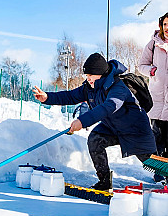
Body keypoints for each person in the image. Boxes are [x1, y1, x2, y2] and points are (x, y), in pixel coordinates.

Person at [33, 53, 157, 191]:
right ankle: (104, 181)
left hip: (135, 130)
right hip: (112, 128)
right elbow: (70, 96)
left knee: (150, 161)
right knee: (95, 139)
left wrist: (82, 121)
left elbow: (108, 107)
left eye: (90, 75)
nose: (88, 79)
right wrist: (47, 97)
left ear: (100, 73)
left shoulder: (118, 87)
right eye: (87, 76)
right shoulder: (89, 88)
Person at [138, 12, 168, 183]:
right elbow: (141, 65)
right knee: (157, 140)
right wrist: (153, 71)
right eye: (164, 24)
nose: (167, 28)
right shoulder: (153, 44)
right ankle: (159, 172)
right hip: (157, 100)